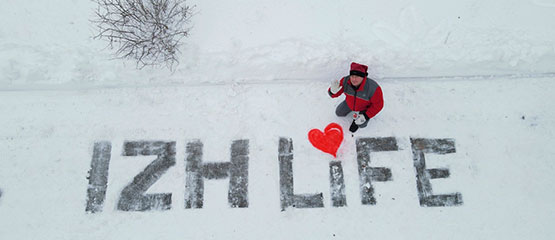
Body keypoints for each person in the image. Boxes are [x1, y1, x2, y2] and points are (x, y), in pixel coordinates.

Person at [328, 62, 384, 132]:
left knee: (361, 124)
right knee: (338, 113)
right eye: (352, 76)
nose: (354, 79)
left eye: (357, 76)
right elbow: (336, 93)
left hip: (364, 107)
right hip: (349, 103)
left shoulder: (373, 88)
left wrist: (366, 115)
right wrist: (332, 91)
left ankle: (359, 118)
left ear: (363, 77)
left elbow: (378, 105)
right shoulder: (345, 81)